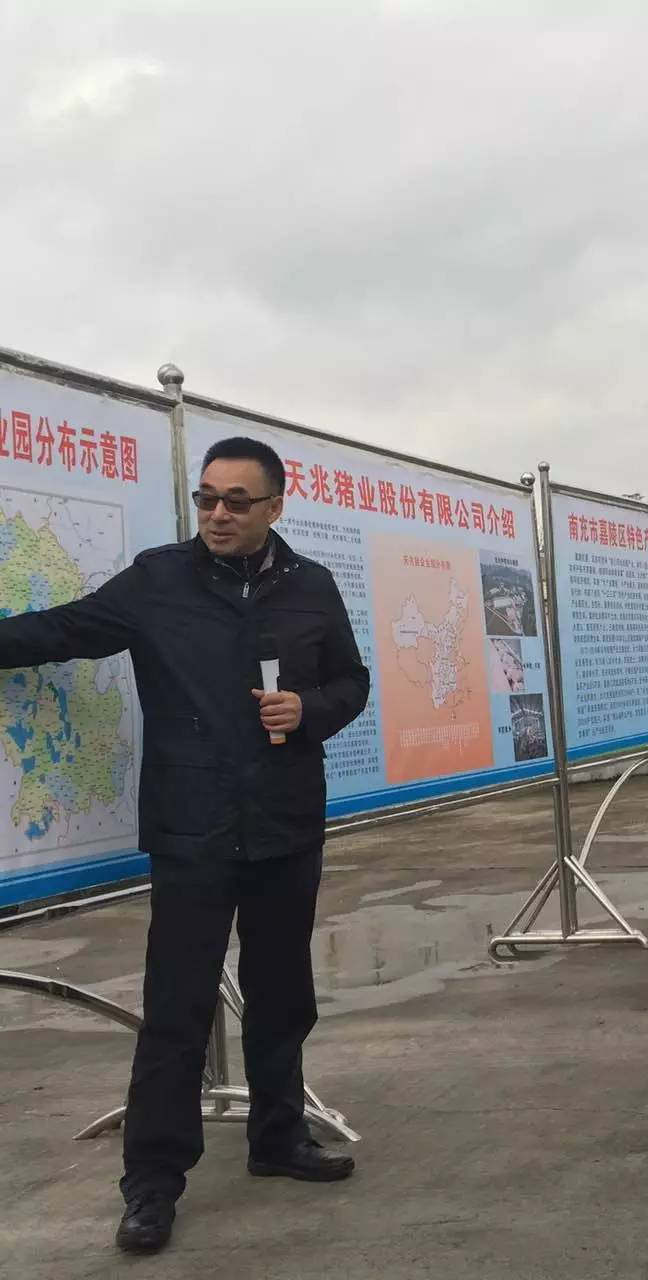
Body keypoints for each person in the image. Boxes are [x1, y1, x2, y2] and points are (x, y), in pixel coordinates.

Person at [0, 437, 370, 1254]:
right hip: (191, 827)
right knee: (177, 1009)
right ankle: (152, 1184)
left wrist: (308, 710)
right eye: (207, 498)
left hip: (284, 824)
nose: (217, 514)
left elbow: (352, 680)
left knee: (283, 995)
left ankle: (279, 1138)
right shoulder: (158, 581)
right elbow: (62, 629)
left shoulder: (311, 586)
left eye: (237, 500)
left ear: (275, 506)